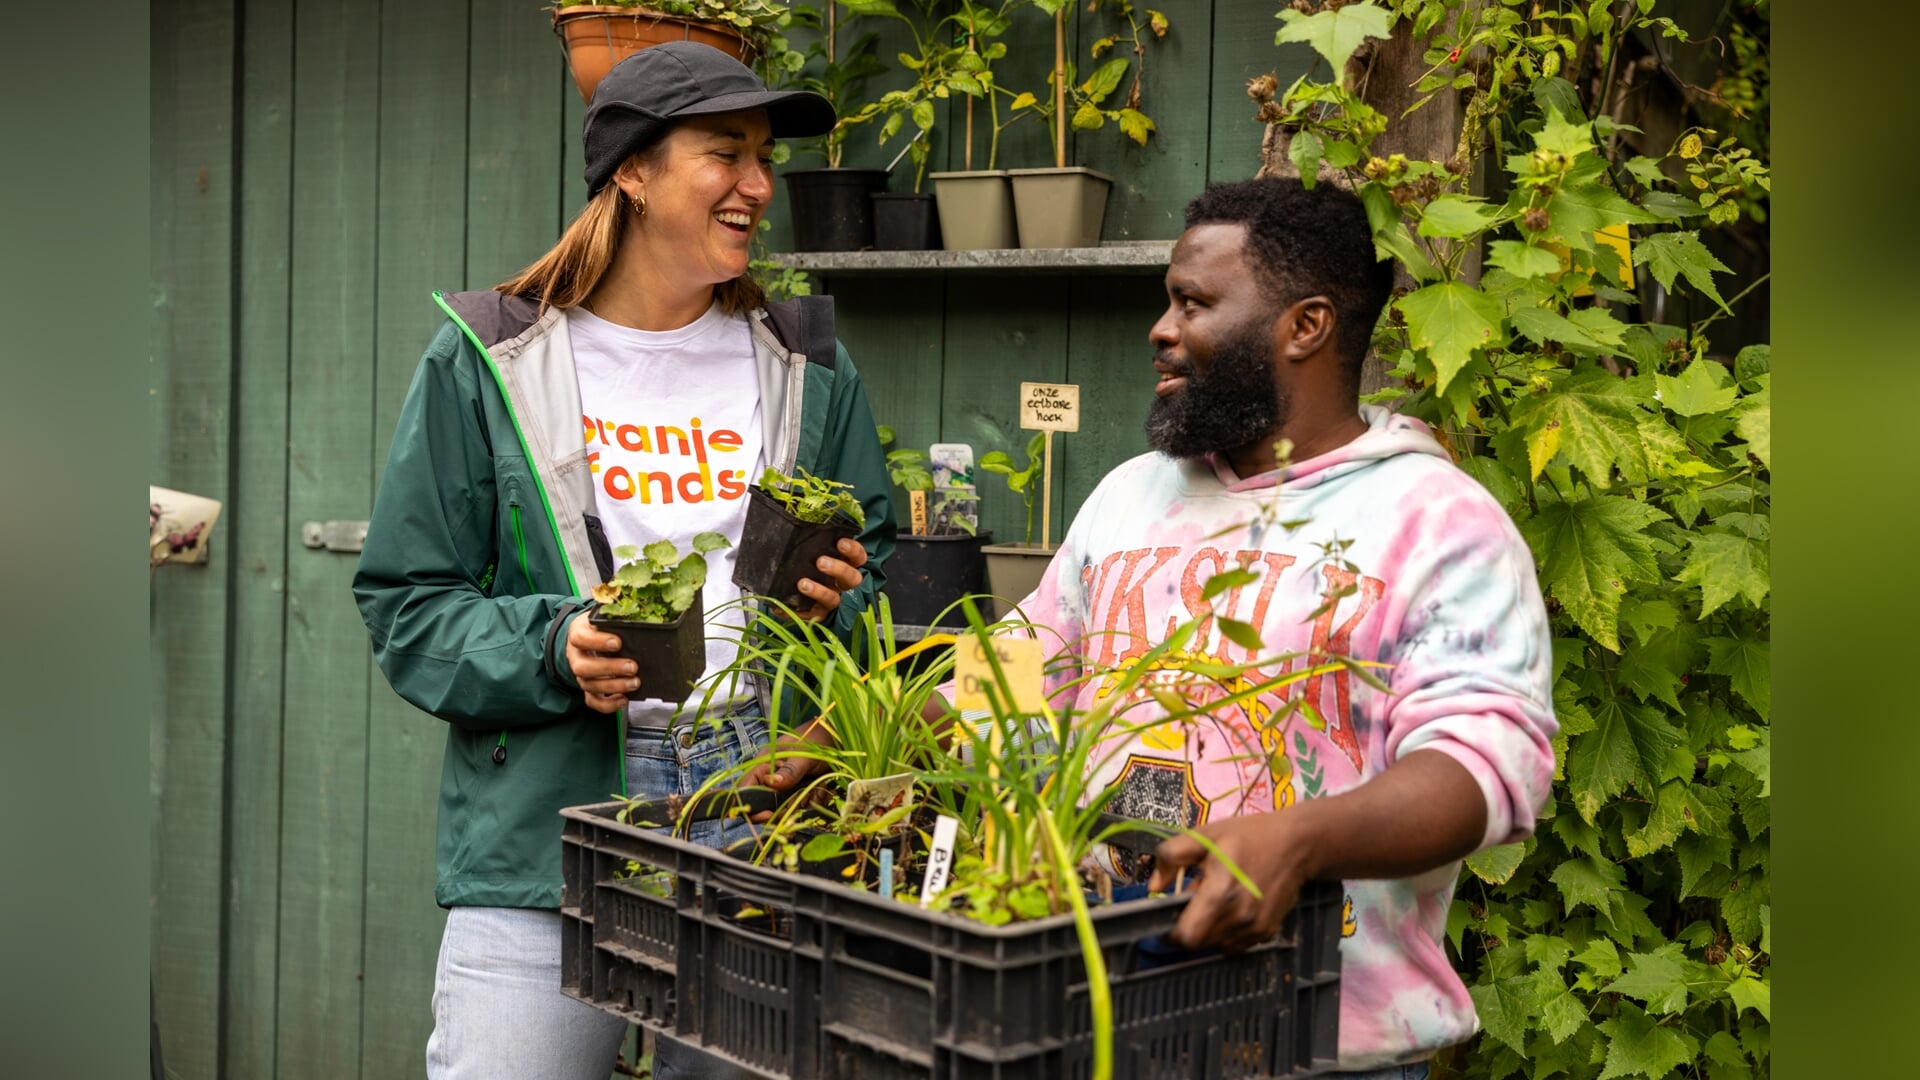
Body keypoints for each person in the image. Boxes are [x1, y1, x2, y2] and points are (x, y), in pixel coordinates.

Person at [760, 175, 1558, 1078]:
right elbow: (1032, 663)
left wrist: (1297, 841)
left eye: (1194, 303)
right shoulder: (1135, 493)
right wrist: (848, 738)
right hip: (1102, 1011)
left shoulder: (1435, 520)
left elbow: (1484, 768)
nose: (1162, 328)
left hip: (1317, 1041)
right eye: (1166, 300)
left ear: (1306, 326)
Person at [352, 42, 895, 1080]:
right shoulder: (490, 359)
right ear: (633, 173)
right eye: (724, 154)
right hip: (547, 838)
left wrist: (841, 594)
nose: (757, 186)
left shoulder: (810, 366)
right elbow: (408, 604)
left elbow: (881, 572)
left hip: (758, 820)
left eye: (763, 159)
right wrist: (556, 644)